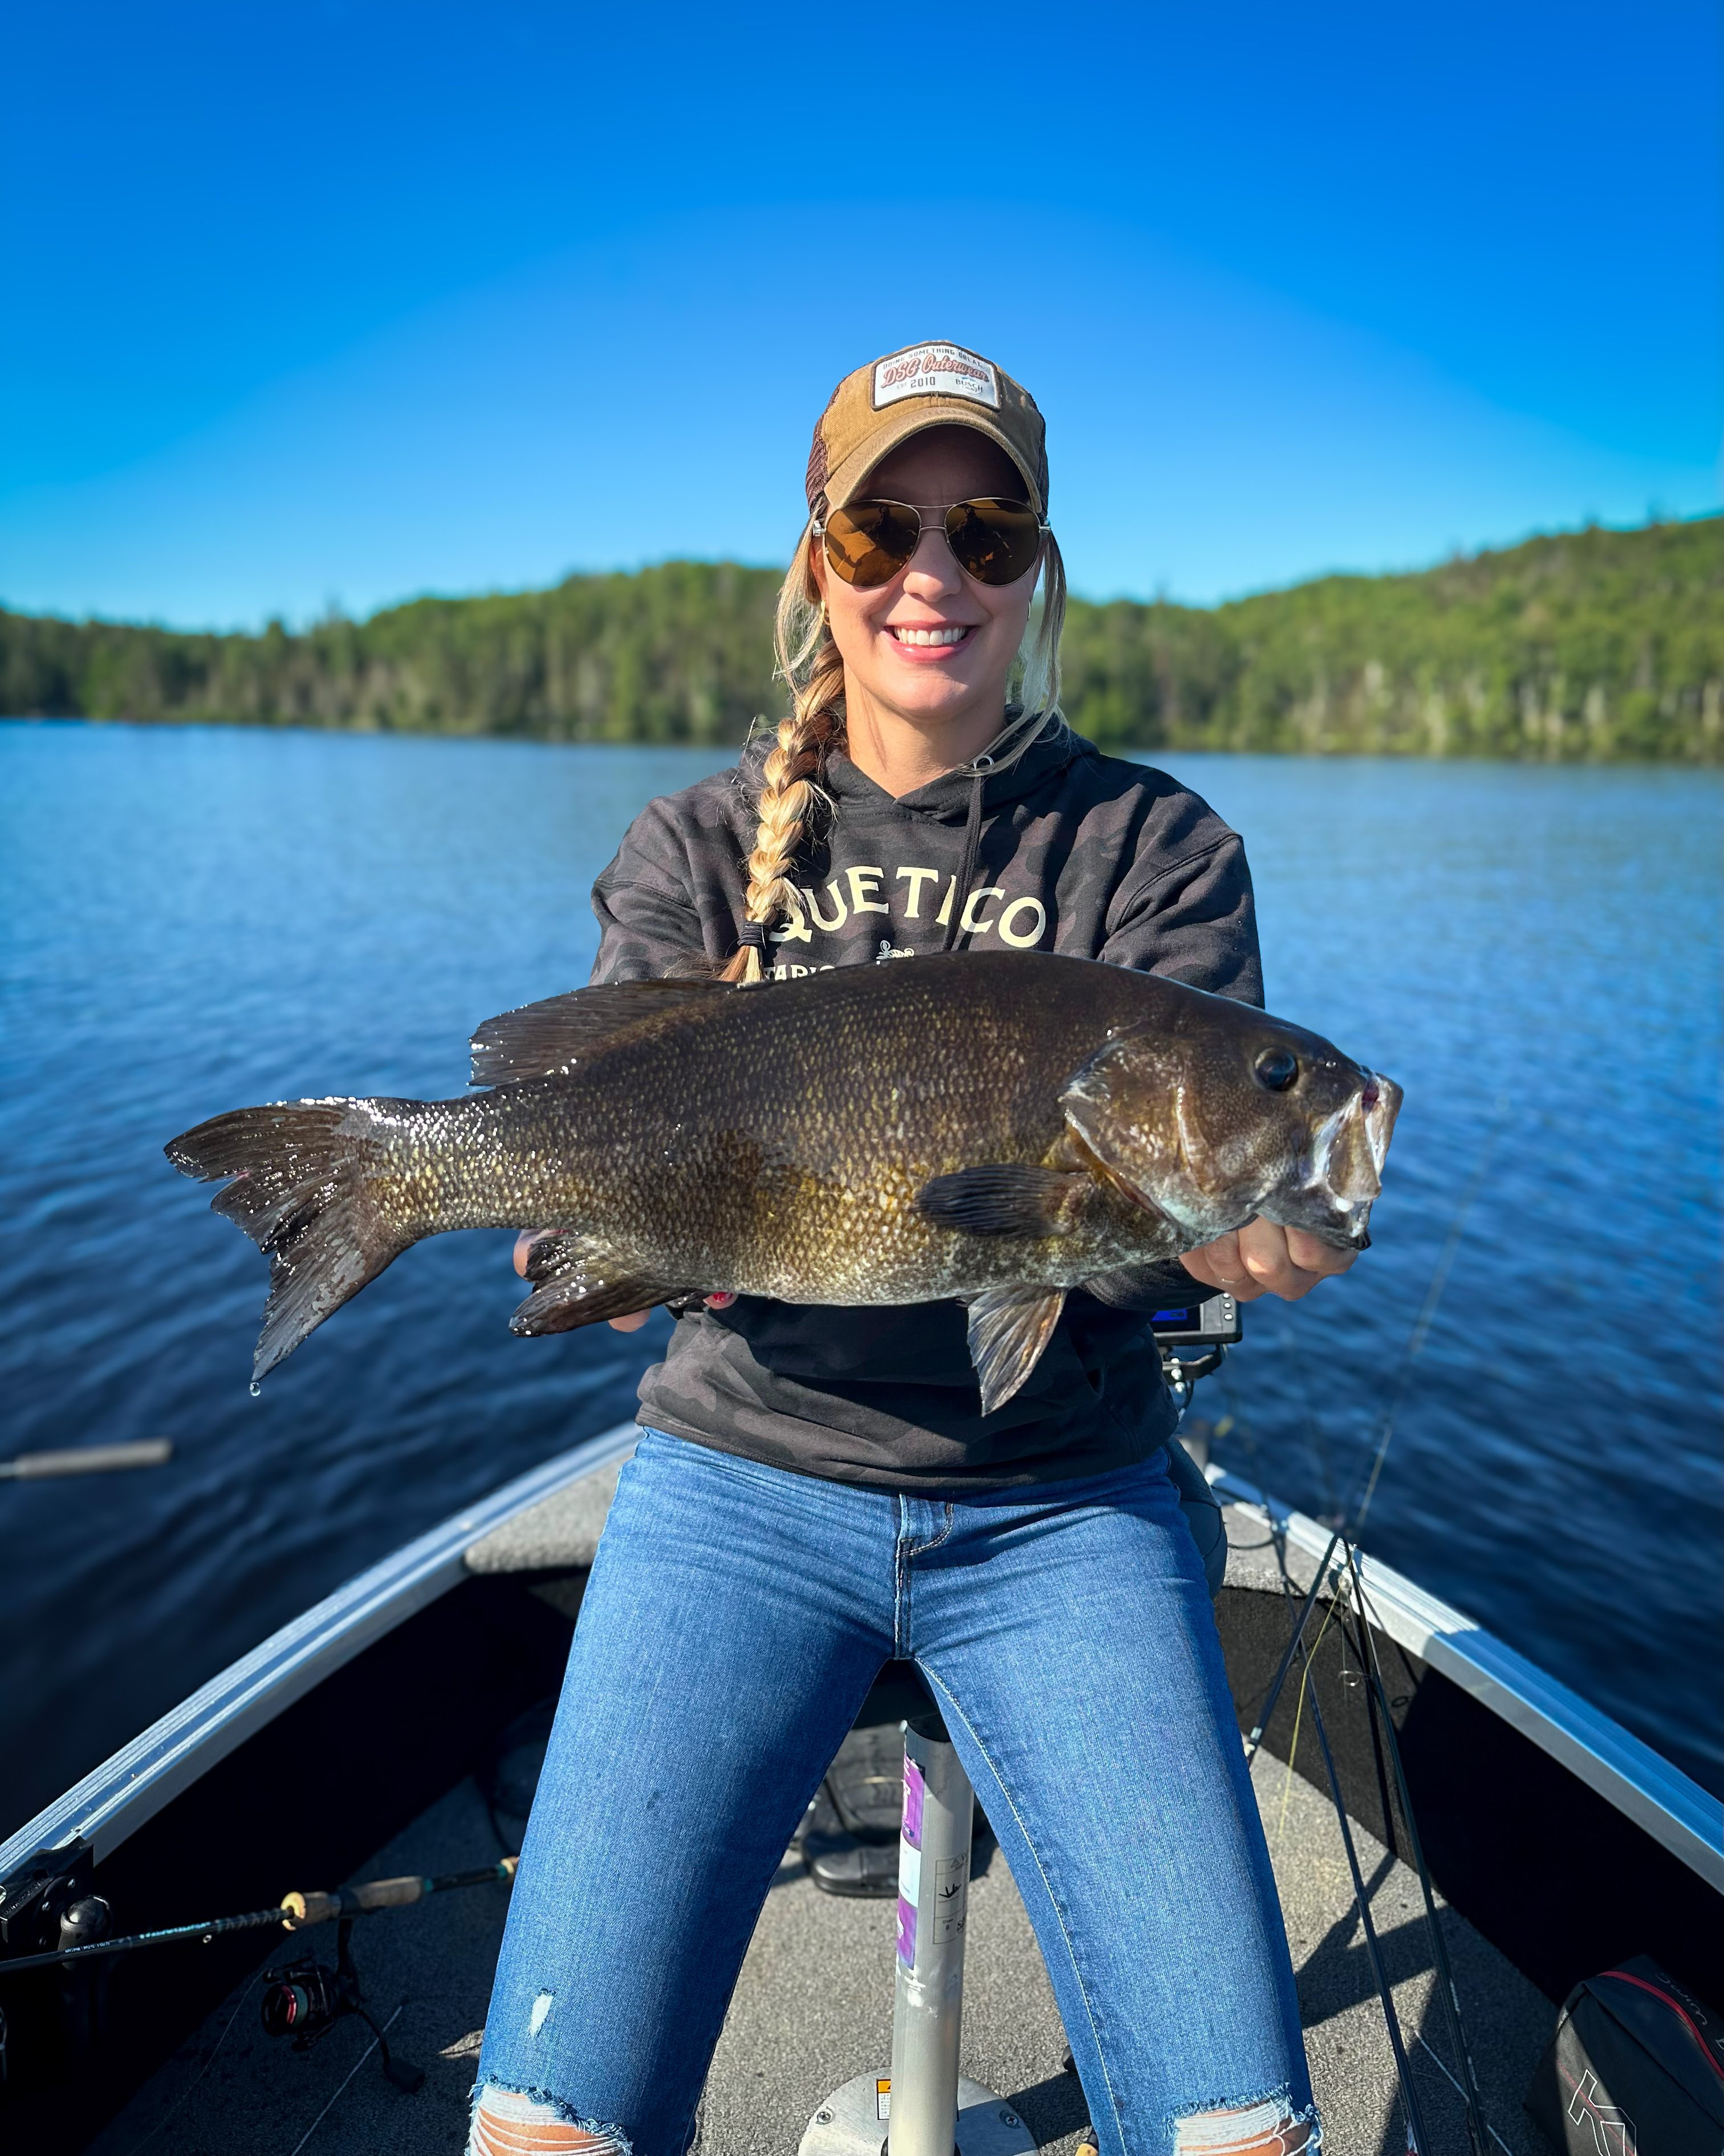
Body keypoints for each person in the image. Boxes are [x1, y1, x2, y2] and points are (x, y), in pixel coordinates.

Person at [467, 343, 1355, 2156]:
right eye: (882, 527)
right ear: (821, 563)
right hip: (737, 1480)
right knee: (540, 2129)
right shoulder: (697, 850)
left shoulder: (1160, 848)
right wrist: (598, 1234)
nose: (931, 576)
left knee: (1244, 2134)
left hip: (1067, 1504)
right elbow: (609, 1145)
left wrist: (1242, 1235)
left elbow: (1154, 1217)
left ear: (1040, 567)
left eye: (989, 528)